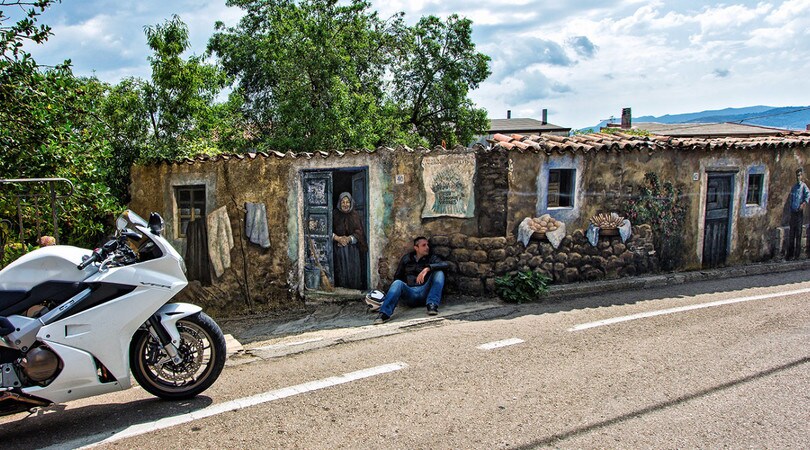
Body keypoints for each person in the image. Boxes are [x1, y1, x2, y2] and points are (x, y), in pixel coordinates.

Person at [368, 236, 449, 324]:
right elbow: (397, 276)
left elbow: (445, 264)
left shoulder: (432, 258)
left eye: (428, 245)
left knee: (439, 273)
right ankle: (384, 314)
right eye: (424, 245)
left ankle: (432, 305)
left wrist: (428, 268)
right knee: (397, 283)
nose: (427, 247)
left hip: (425, 291)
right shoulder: (407, 258)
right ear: (416, 248)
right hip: (410, 293)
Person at [332, 192, 367, 289]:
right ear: (339, 203)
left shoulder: (355, 215)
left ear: (351, 203)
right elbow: (328, 230)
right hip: (338, 248)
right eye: (343, 202)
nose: (345, 204)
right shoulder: (334, 214)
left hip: (352, 250)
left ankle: (353, 288)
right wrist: (337, 238)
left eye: (347, 202)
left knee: (352, 270)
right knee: (340, 270)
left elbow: (360, 232)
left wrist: (349, 239)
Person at [787, 168, 810, 260]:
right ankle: (790, 254)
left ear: (802, 176)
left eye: (799, 175)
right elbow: (791, 199)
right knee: (791, 234)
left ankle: (797, 255)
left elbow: (808, 195)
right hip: (793, 212)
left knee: (798, 233)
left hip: (799, 213)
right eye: (797, 175)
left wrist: (803, 204)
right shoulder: (794, 187)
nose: (798, 177)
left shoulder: (803, 186)